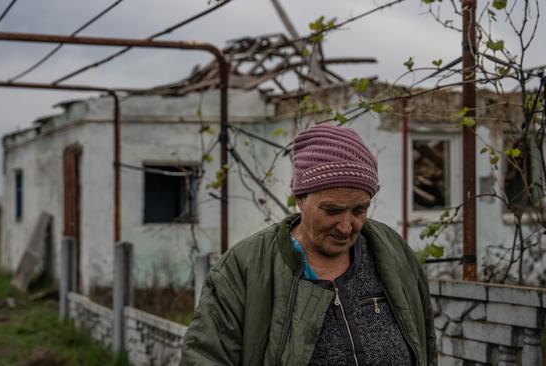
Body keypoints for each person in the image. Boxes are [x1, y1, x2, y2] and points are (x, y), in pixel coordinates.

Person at [181, 123, 437, 365]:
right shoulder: (244, 268)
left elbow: (425, 344)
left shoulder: (393, 252)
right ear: (301, 199)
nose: (346, 227)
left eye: (359, 209)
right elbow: (205, 357)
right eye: (332, 210)